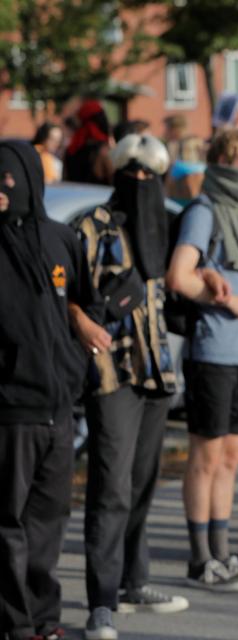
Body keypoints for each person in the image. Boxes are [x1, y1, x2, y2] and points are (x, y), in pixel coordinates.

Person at [74, 134, 190, 640]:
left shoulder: (162, 226)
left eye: (152, 175)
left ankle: (133, 581)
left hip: (158, 371)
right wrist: (81, 322)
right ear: (119, 173)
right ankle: (100, 601)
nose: (143, 182)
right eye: (134, 173)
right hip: (111, 372)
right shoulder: (91, 227)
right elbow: (66, 293)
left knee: (142, 484)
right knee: (111, 488)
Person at [166, 129, 238, 591]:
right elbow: (179, 276)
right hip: (212, 350)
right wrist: (225, 301)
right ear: (224, 166)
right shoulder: (205, 209)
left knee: (232, 457)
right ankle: (200, 560)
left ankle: (222, 552)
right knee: (207, 455)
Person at [0, 141, 99, 640]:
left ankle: (45, 619)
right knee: (7, 523)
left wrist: (76, 360)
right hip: (9, 409)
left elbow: (84, 303)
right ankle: (15, 622)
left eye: (9, 179)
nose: (2, 190)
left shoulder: (61, 239)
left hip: (59, 405)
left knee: (47, 523)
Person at [64, 100, 113, 185]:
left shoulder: (72, 147)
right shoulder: (103, 150)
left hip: (73, 196)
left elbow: (65, 177)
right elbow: (112, 179)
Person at [165, 135, 206, 206]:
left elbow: (167, 191)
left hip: (175, 207)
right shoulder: (203, 169)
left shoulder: (175, 167)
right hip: (195, 207)